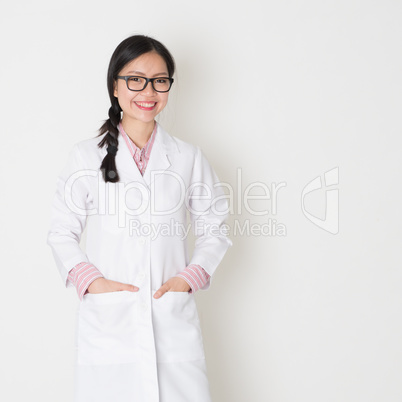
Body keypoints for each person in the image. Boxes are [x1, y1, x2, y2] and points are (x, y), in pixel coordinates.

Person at [47, 34, 232, 402]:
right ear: (115, 86)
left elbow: (216, 228)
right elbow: (60, 232)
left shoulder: (188, 157)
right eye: (135, 79)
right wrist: (93, 283)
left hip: (171, 319)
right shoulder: (86, 157)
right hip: (110, 323)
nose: (148, 91)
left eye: (160, 80)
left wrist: (187, 279)